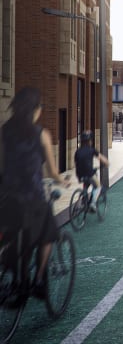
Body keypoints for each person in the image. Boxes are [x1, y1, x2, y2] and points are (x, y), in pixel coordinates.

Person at [1, 87, 70, 298]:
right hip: (33, 197)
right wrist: (63, 181)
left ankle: (12, 277)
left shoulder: (3, 131)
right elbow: (51, 170)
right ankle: (39, 280)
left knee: (11, 235)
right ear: (35, 109)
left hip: (7, 197)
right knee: (48, 234)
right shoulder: (41, 134)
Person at [74, 131, 109, 211]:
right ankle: (92, 204)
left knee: (86, 182)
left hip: (79, 174)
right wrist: (107, 163)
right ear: (89, 141)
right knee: (98, 186)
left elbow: (76, 163)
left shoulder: (77, 151)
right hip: (89, 173)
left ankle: (84, 199)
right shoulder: (91, 150)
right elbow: (101, 158)